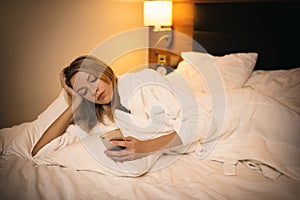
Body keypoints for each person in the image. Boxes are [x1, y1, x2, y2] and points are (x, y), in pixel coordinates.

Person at [32, 55, 210, 163]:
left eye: (93, 80)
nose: (93, 91)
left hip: (209, 132)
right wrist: (75, 103)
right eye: (84, 91)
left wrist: (145, 146)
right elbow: (39, 151)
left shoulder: (144, 81)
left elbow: (202, 119)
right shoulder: (96, 120)